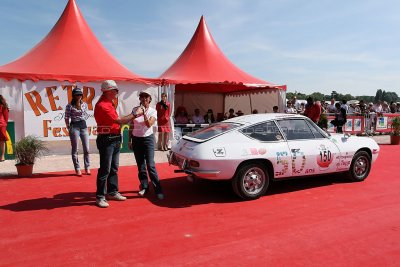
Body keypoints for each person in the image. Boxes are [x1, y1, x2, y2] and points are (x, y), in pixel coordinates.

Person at [94, 80, 134, 208]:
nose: (117, 92)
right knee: (105, 169)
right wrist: (134, 114)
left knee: (113, 168)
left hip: (114, 138)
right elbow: (120, 120)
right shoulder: (103, 105)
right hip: (107, 139)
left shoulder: (108, 103)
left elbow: (118, 120)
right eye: (115, 90)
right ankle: (100, 196)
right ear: (108, 91)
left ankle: (112, 192)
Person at [129, 91, 164, 200]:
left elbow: (149, 124)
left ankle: (158, 189)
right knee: (141, 166)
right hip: (136, 139)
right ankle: (144, 186)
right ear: (140, 99)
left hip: (148, 140)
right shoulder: (135, 110)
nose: (144, 99)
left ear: (149, 99)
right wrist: (129, 140)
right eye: (142, 97)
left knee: (150, 165)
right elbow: (131, 125)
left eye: (146, 97)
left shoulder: (153, 111)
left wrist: (143, 113)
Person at [65, 88, 90, 176]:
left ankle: (87, 167)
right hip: (74, 126)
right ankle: (77, 168)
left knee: (87, 149)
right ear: (73, 96)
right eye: (77, 95)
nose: (79, 96)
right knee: (75, 149)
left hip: (83, 126)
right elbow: (66, 117)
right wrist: (68, 127)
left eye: (80, 94)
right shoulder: (69, 106)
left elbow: (84, 115)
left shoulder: (84, 104)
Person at [0, 95, 9, 162]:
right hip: (2, 124)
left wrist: (4, 125)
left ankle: (2, 156)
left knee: (2, 141)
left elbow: (6, 116)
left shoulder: (2, 106)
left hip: (1, 125)